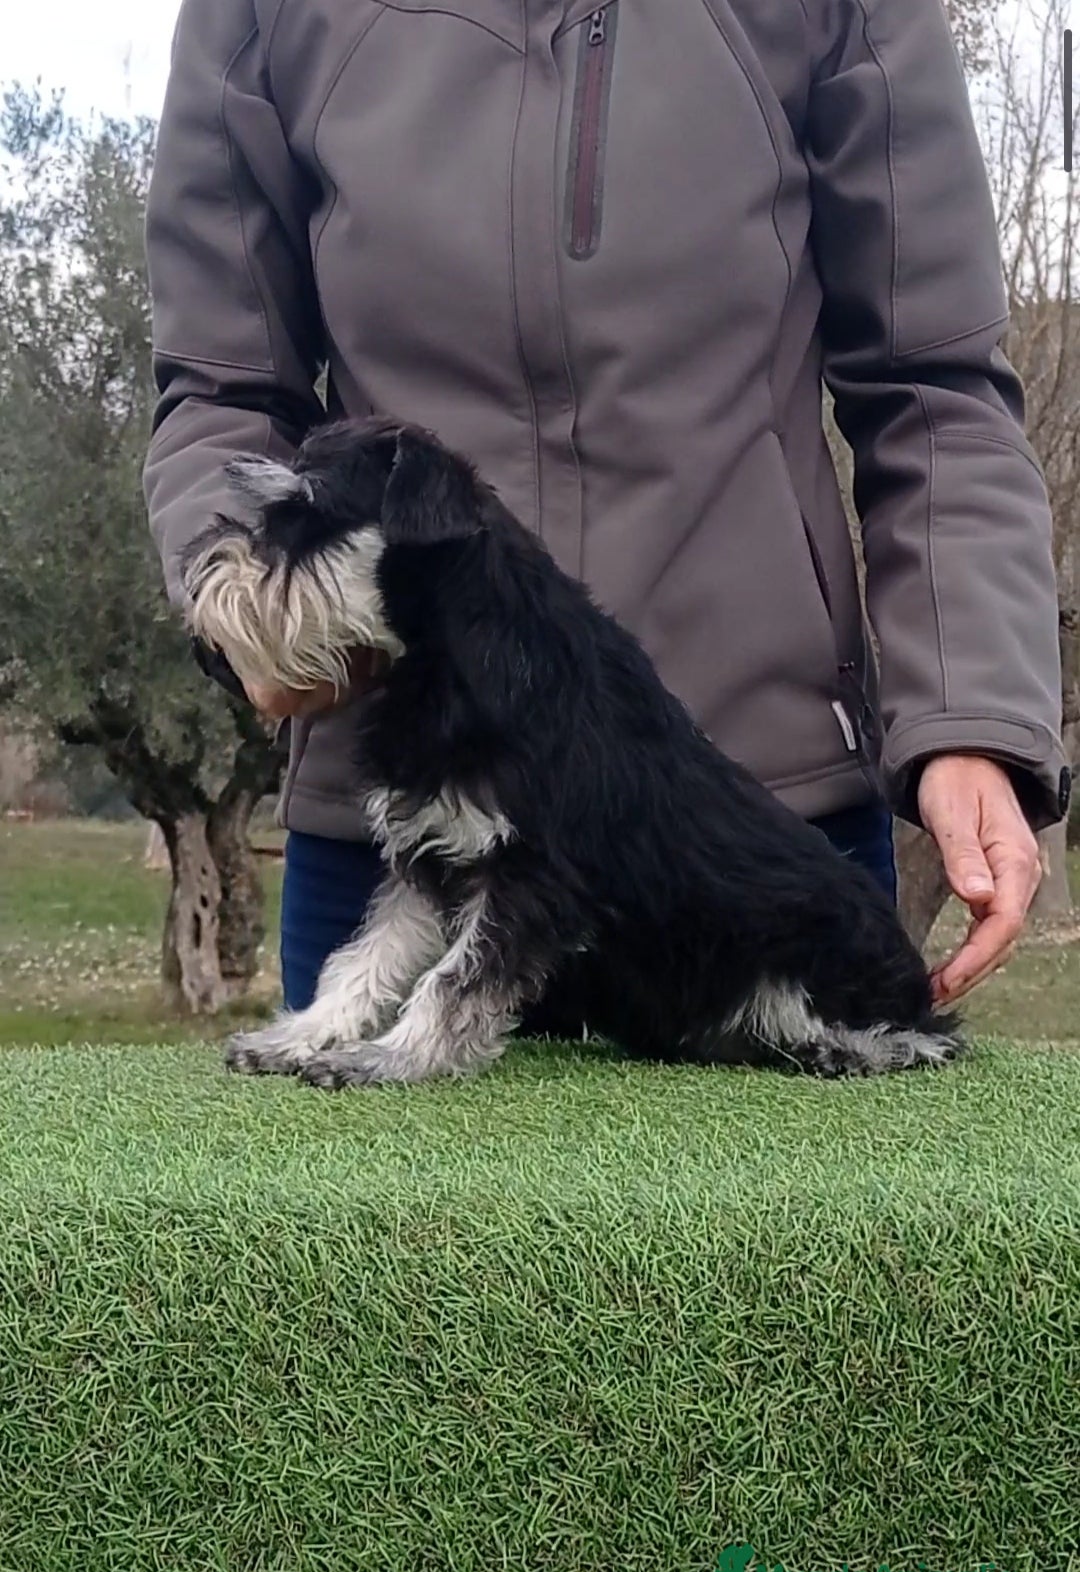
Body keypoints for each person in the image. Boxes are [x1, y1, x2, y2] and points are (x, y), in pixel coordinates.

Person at [144, 0, 1071, 1021]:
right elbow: (221, 388)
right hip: (407, 829)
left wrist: (970, 714)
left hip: (748, 842)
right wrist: (240, 613)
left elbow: (933, 392)